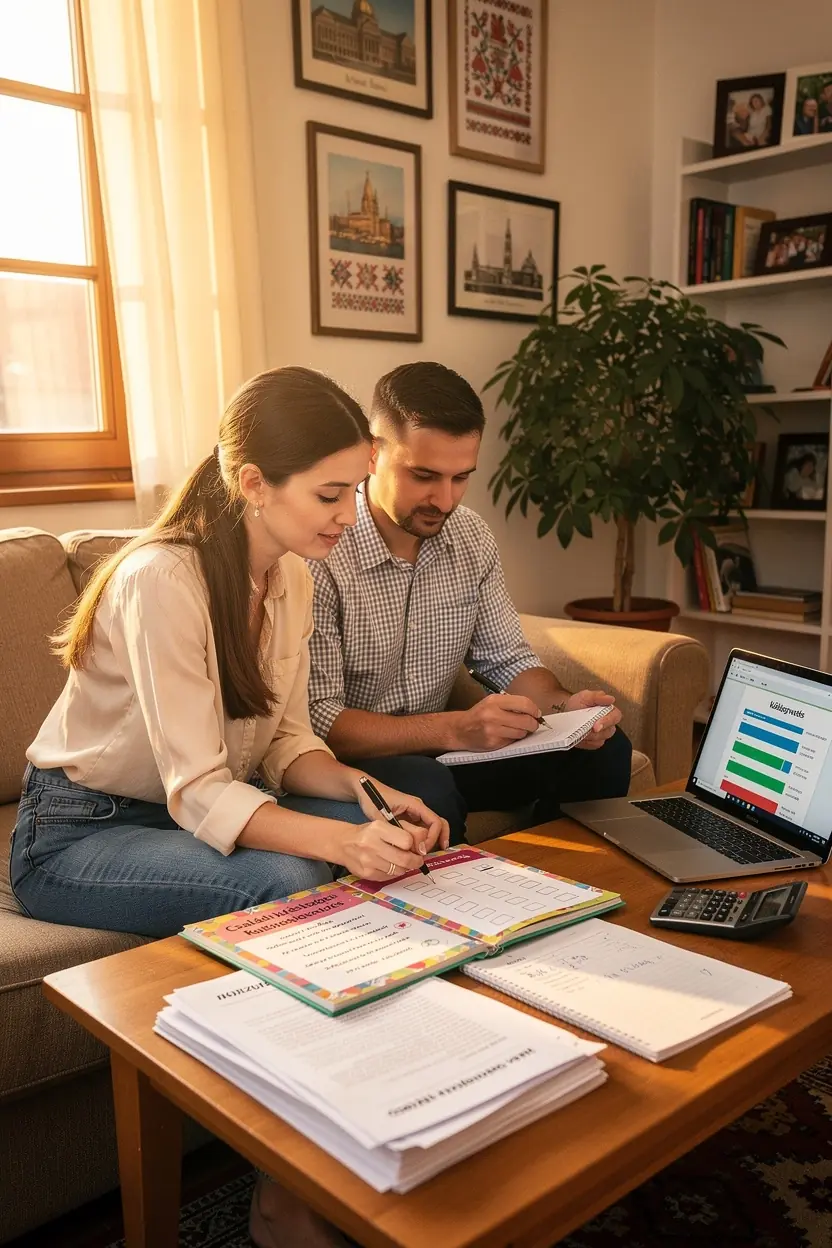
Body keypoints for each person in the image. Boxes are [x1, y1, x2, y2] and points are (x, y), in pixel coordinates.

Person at [9, 366, 448, 1248]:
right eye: (331, 493)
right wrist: (344, 843)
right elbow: (202, 789)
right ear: (253, 483)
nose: (348, 513)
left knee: (377, 845)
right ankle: (292, 1197)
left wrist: (377, 797)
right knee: (291, 879)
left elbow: (286, 744)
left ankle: (411, 1119)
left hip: (172, 821)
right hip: (74, 835)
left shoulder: (292, 578)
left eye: (356, 489)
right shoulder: (158, 580)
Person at [307, 362, 631, 846]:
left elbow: (509, 660)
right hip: (356, 764)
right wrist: (456, 729)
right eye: (424, 476)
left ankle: (564, 890)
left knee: (605, 751)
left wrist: (566, 710)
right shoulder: (324, 546)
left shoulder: (470, 535)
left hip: (449, 752)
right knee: (429, 789)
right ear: (372, 454)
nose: (444, 499)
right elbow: (322, 720)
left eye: (461, 477)